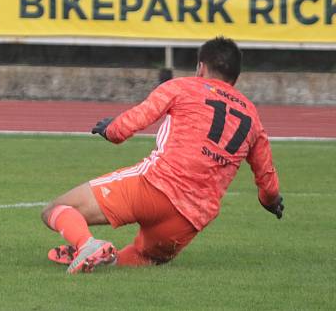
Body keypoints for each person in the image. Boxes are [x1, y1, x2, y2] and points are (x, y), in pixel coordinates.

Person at [41, 37, 283, 274]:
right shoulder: (252, 117)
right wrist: (270, 202)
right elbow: (267, 179)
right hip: (189, 219)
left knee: (56, 208)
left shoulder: (183, 86)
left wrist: (111, 129)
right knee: (144, 256)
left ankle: (86, 244)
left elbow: (135, 121)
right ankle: (102, 258)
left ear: (201, 67)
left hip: (155, 187)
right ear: (236, 77)